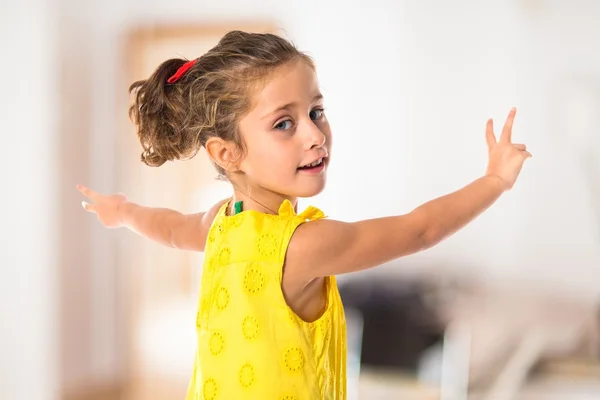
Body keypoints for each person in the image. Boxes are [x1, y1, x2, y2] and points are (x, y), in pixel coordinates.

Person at [78, 30, 531, 400]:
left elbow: (172, 229)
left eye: (316, 111)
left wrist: (124, 212)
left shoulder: (221, 223)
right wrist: (494, 181)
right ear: (228, 152)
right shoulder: (301, 246)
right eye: (284, 123)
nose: (316, 134)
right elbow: (419, 230)